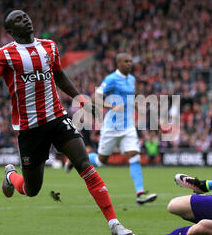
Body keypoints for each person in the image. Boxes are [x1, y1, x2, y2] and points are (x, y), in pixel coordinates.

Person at [0, 9, 132, 235]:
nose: (26, 19)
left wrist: (80, 98)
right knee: (32, 189)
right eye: (18, 19)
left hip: (57, 118)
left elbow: (59, 75)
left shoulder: (49, 46)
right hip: (30, 128)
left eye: (26, 16)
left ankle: (115, 224)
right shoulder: (4, 54)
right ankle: (11, 176)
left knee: (84, 164)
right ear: (10, 31)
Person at [65, 53, 157, 205]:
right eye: (126, 61)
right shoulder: (111, 79)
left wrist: (134, 104)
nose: (129, 64)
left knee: (134, 156)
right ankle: (75, 160)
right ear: (119, 63)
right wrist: (112, 105)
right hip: (112, 127)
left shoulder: (131, 79)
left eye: (130, 61)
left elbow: (129, 97)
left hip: (127, 126)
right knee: (102, 161)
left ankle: (140, 193)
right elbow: (95, 98)